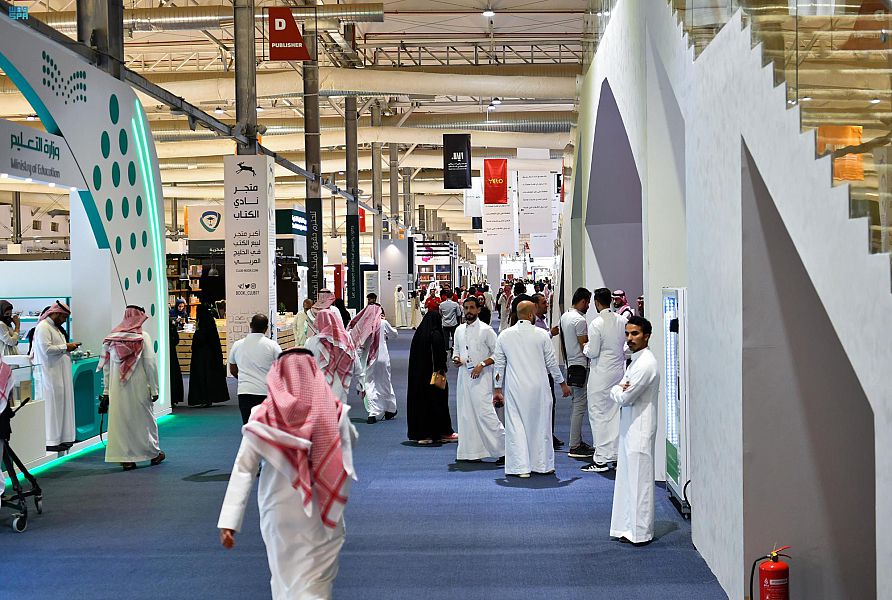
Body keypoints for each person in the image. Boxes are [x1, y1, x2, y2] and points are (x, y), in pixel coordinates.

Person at [218, 349, 358, 600]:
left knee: (284, 581)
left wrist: (230, 520)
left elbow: (244, 469)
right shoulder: (334, 412)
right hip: (322, 509)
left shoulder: (262, 416)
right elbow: (349, 446)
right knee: (317, 582)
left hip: (278, 512)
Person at [492, 301, 570, 478]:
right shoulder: (542, 335)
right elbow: (552, 363)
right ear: (529, 315)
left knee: (516, 427)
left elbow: (499, 366)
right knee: (541, 425)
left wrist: (497, 389)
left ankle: (520, 468)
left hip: (515, 388)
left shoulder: (504, 336)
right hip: (539, 388)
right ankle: (542, 465)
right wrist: (562, 383)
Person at [610, 316, 660, 545]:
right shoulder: (636, 361)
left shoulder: (646, 364)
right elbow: (623, 389)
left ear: (646, 336)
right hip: (630, 426)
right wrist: (620, 389)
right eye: (627, 334)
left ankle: (640, 533)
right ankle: (627, 527)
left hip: (640, 428)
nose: (629, 338)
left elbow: (625, 397)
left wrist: (617, 390)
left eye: (635, 334)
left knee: (640, 481)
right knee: (628, 479)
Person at [98, 305, 165, 470]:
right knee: (145, 420)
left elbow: (106, 367)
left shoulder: (111, 338)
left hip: (117, 389)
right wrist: (154, 388)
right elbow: (150, 364)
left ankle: (126, 459)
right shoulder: (142, 337)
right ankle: (153, 454)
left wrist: (106, 391)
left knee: (122, 422)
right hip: (138, 386)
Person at [581, 288, 627, 472]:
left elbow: (593, 352)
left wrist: (585, 347)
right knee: (616, 414)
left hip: (600, 374)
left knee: (598, 414)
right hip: (619, 373)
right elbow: (626, 347)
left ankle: (600, 459)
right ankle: (616, 456)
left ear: (597, 303)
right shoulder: (622, 321)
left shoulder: (596, 323)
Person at [453, 297, 504, 462]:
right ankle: (472, 452)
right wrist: (456, 359)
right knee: (466, 414)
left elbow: (498, 354)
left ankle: (505, 450)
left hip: (483, 379)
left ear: (478, 310)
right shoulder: (459, 330)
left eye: (472, 308)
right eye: (466, 308)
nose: (468, 311)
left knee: (486, 414)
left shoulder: (486, 330)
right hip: (464, 378)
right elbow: (456, 350)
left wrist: (482, 364)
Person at [31, 301, 80, 451]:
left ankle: (62, 438)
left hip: (59, 374)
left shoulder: (54, 328)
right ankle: (51, 441)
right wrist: (66, 347)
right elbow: (46, 349)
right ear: (57, 313)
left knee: (60, 406)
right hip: (49, 375)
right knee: (52, 407)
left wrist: (67, 348)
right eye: (63, 317)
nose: (64, 321)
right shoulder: (43, 327)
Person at [406, 311, 456, 444]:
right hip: (434, 378)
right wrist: (443, 370)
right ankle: (442, 432)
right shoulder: (436, 335)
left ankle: (423, 434)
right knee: (438, 403)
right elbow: (439, 357)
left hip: (418, 378)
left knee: (420, 405)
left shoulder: (419, 335)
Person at [559, 288, 595, 459]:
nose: (588, 306)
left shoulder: (565, 316)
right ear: (582, 301)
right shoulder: (580, 320)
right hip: (580, 366)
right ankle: (575, 445)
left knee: (576, 405)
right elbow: (585, 346)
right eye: (588, 303)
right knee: (579, 406)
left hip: (570, 365)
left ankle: (576, 441)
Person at [228, 314, 283, 424]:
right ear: (266, 328)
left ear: (250, 325)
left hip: (244, 391)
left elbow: (233, 369)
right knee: (266, 427)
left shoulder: (237, 345)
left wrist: (243, 379)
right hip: (266, 391)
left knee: (248, 425)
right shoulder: (273, 346)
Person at [349, 304, 398, 424]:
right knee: (385, 382)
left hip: (368, 359)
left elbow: (356, 342)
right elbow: (394, 334)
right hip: (382, 358)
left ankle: (373, 412)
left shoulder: (363, 325)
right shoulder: (383, 323)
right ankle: (390, 409)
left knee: (369, 384)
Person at [532, 293, 563, 450]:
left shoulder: (542, 320)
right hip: (539, 370)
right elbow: (538, 342)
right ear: (535, 306)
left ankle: (549, 433)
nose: (547, 305)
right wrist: (550, 333)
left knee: (550, 403)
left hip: (545, 370)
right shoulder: (534, 324)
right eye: (544, 303)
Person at [305, 310, 354, 404]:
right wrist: (361, 380)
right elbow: (354, 358)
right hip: (340, 382)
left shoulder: (310, 342)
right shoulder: (345, 339)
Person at [187, 304, 230, 407]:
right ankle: (209, 398)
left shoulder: (202, 325)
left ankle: (203, 398)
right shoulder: (210, 324)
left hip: (202, 356)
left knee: (202, 376)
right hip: (211, 356)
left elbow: (199, 339)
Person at [169, 319, 184, 405]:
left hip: (167, 354)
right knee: (173, 375)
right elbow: (176, 340)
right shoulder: (172, 327)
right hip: (172, 354)